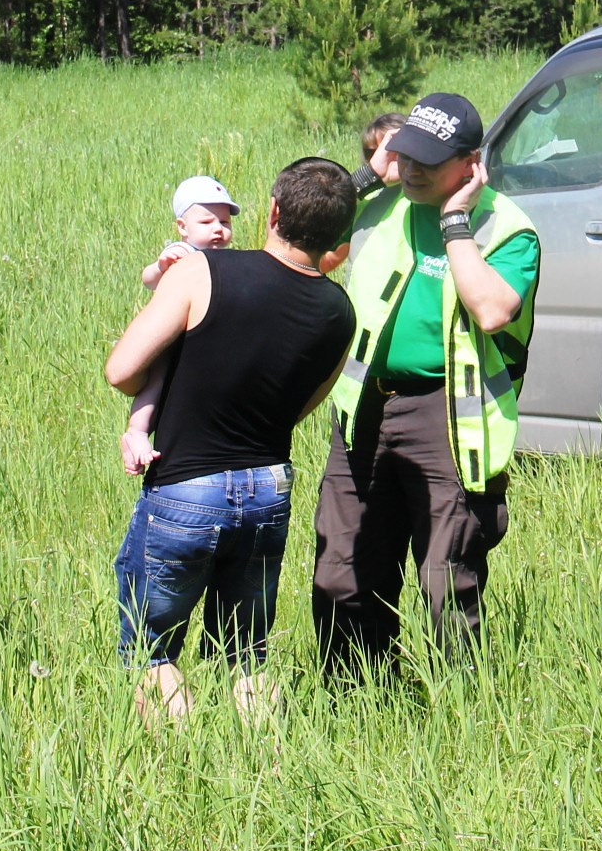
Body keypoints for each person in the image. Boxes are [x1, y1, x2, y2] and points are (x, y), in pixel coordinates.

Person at [104, 159, 359, 718]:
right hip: (268, 487)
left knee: (151, 651)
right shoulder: (341, 312)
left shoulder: (202, 272)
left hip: (185, 486)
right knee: (246, 655)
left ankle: (180, 757)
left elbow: (120, 370)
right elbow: (302, 406)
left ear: (272, 211)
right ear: (341, 235)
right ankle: (263, 755)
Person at [312, 94, 540, 675]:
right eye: (406, 156)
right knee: (342, 569)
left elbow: (491, 310)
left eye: (428, 162)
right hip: (364, 406)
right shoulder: (379, 206)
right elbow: (301, 232)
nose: (412, 170)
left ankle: (458, 703)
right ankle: (354, 697)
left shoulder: (507, 228)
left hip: (447, 414)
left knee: (446, 578)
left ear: (470, 164)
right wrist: (365, 178)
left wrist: (455, 221)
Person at [123, 176, 237, 474]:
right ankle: (137, 432)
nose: (218, 229)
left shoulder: (227, 259)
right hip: (171, 336)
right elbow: (148, 280)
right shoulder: (182, 252)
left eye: (225, 222)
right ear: (183, 227)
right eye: (207, 222)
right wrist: (161, 265)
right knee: (155, 381)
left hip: (202, 339)